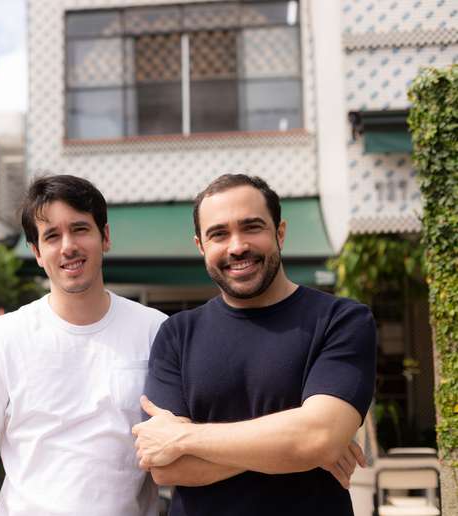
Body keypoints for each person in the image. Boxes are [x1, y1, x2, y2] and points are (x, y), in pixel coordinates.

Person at [132, 174, 376, 516]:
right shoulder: (176, 333)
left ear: (279, 232)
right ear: (201, 246)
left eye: (252, 227)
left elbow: (319, 438)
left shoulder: (342, 320)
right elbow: (167, 468)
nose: (237, 246)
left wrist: (183, 438)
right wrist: (297, 448)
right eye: (218, 234)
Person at [0, 174, 167, 516]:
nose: (68, 246)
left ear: (105, 236)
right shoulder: (4, 336)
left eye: (80, 229)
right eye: (52, 236)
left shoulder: (154, 330)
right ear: (36, 252)